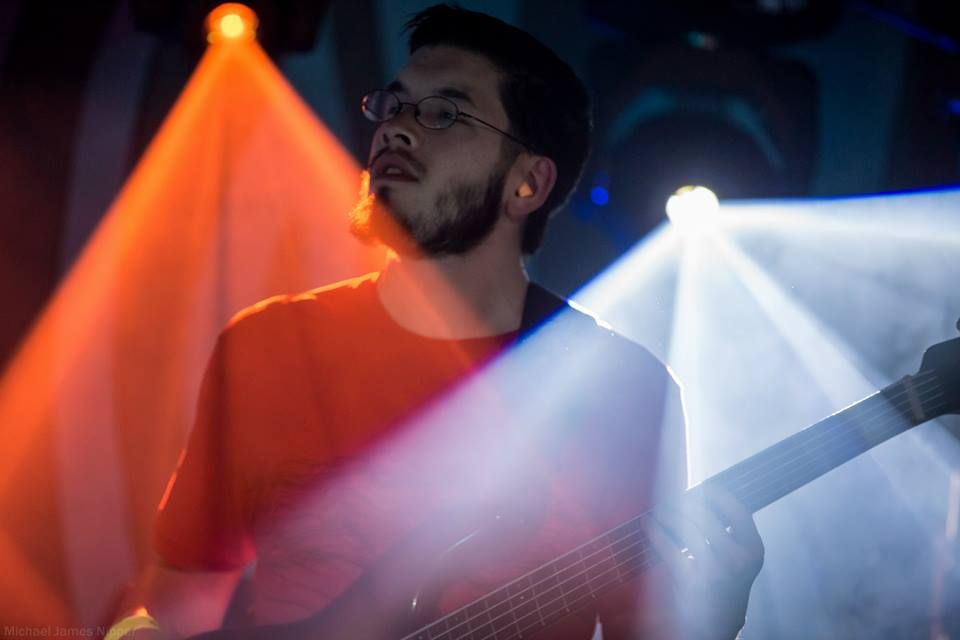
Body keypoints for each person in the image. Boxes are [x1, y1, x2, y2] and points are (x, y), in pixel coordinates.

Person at [109, 5, 763, 639]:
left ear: (527, 184)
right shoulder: (267, 344)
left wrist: (718, 620)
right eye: (392, 107)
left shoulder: (623, 387)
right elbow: (183, 589)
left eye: (444, 113)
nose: (395, 129)